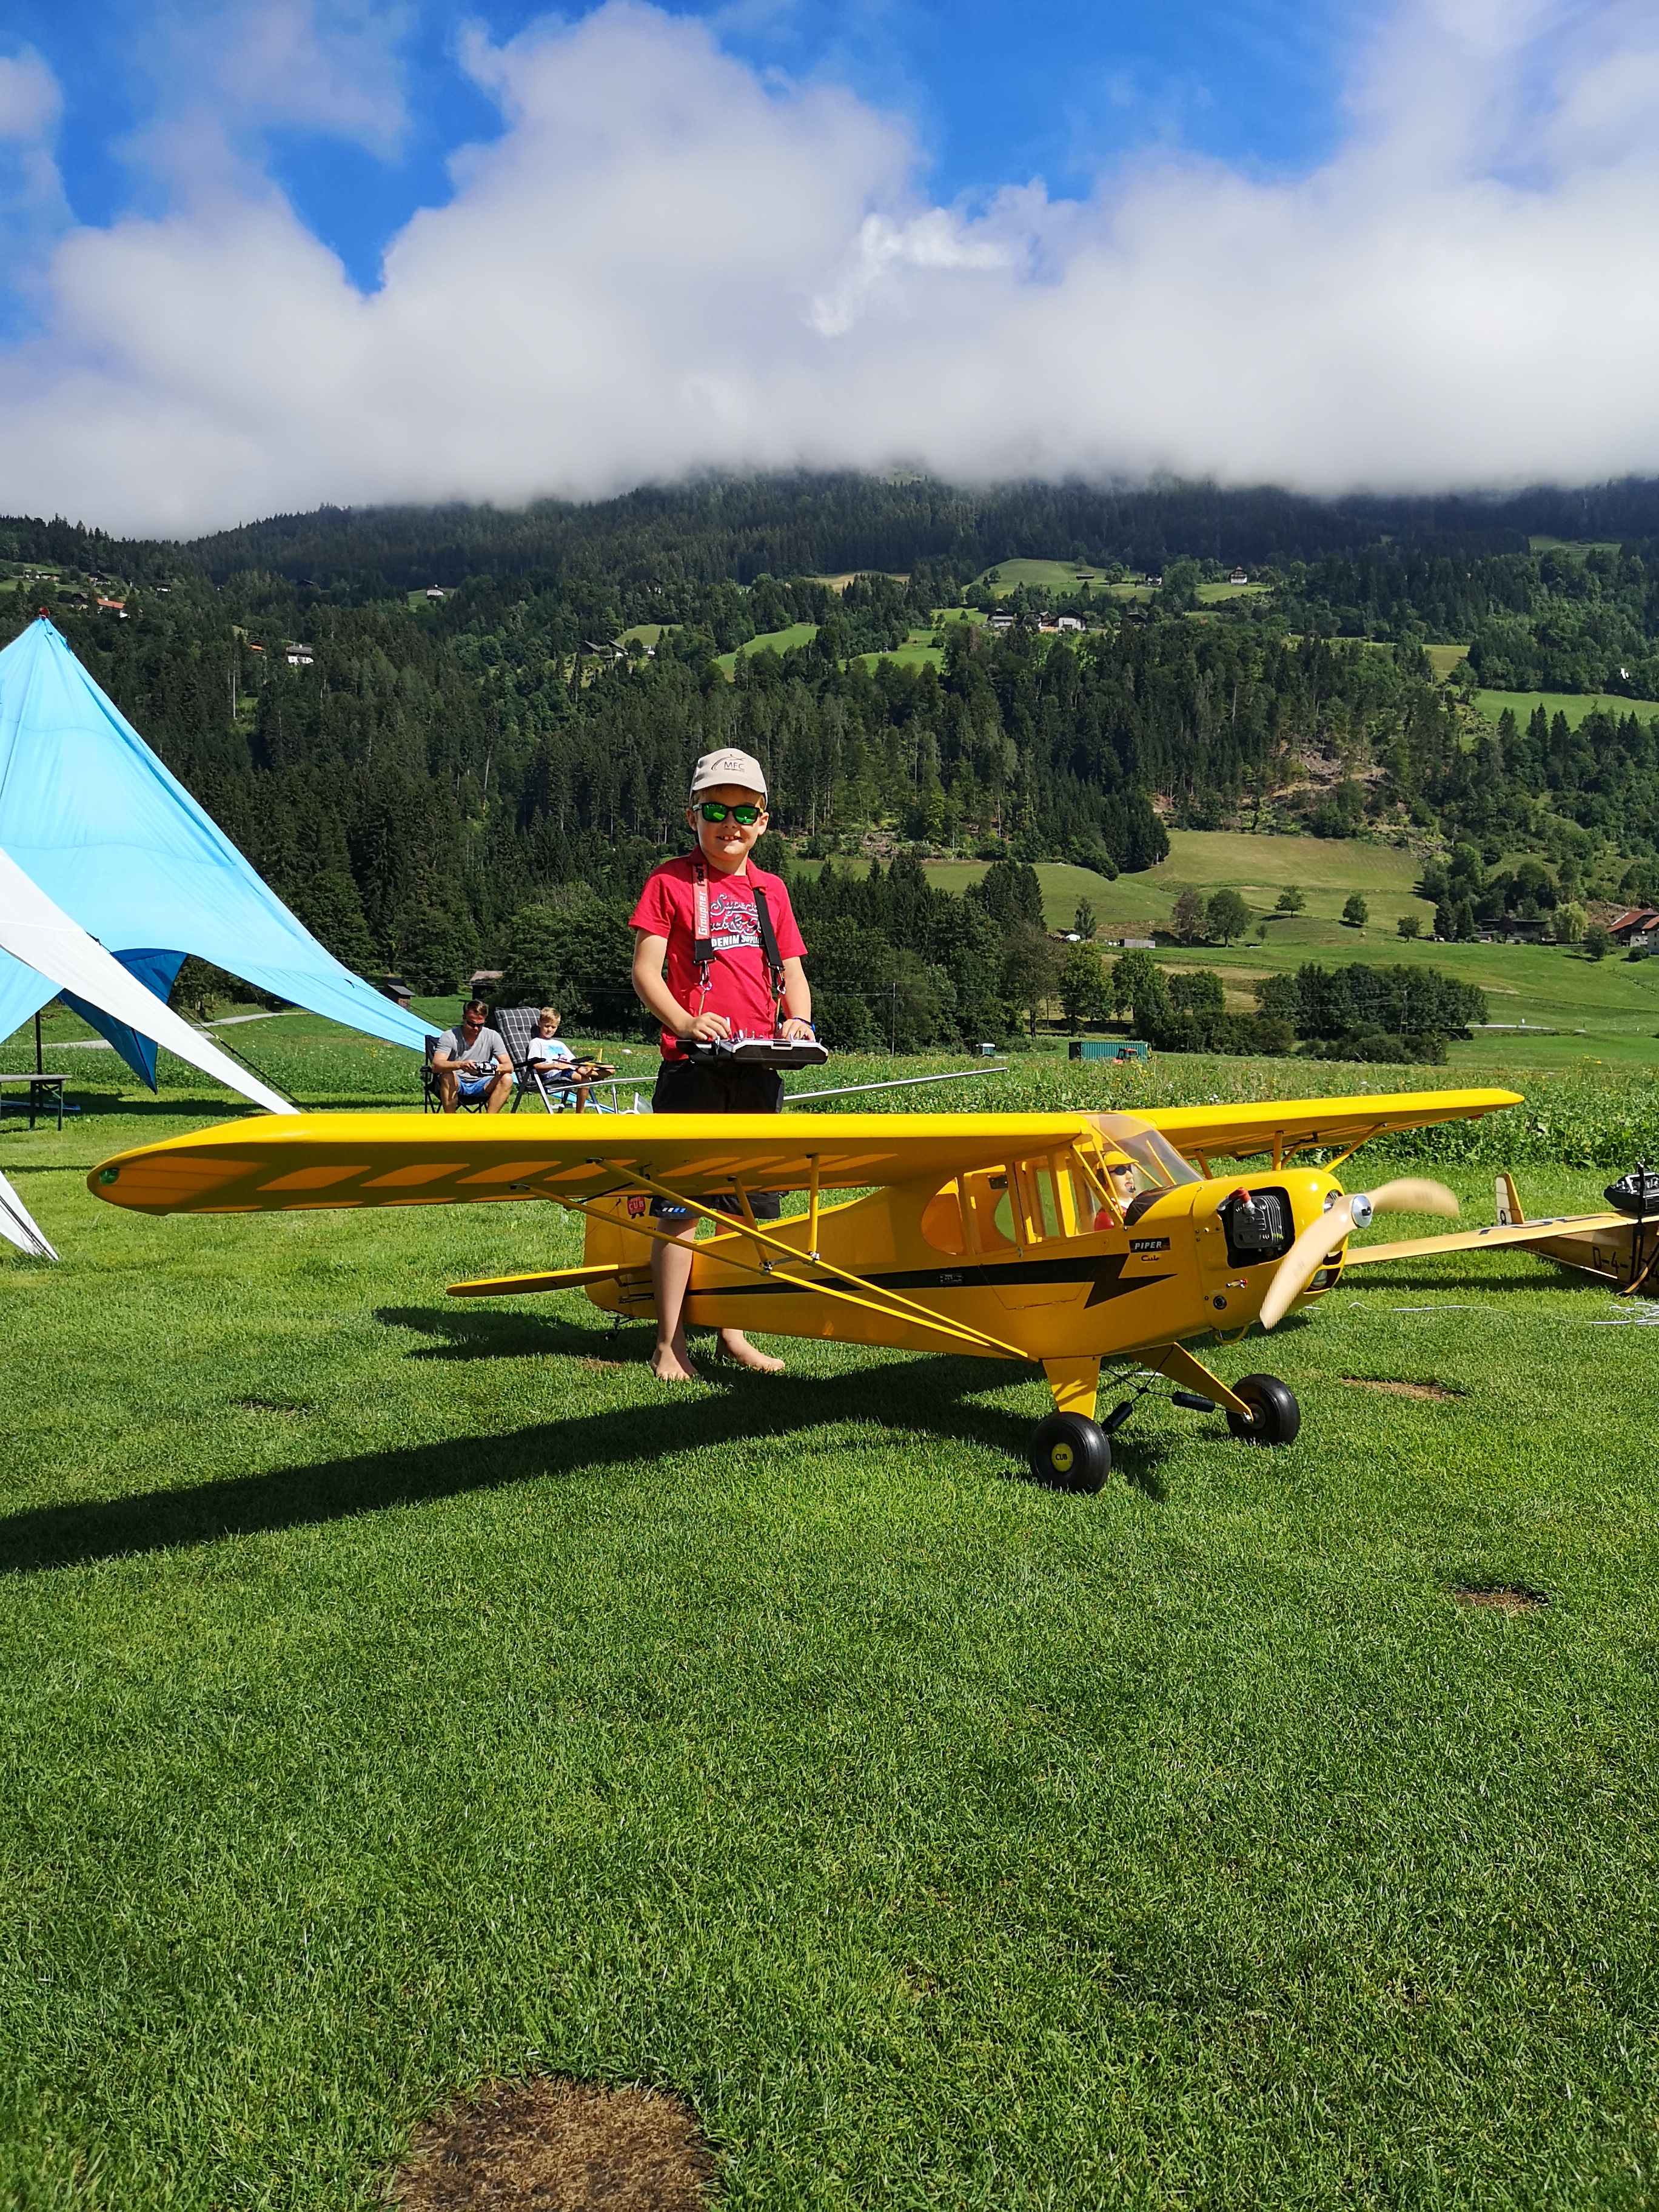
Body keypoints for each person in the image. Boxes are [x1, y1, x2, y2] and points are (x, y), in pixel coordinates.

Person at [630, 747, 814, 1382]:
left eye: (743, 812)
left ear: (763, 821)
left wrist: (799, 1021)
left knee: (748, 1211)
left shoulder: (772, 890)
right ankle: (668, 1342)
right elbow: (646, 972)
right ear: (693, 817)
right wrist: (684, 1022)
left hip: (758, 1066)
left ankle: (733, 1333)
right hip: (694, 1068)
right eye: (715, 811)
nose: (729, 823)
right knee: (680, 1209)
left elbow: (793, 973)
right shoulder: (669, 882)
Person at [432, 999, 514, 1113]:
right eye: (472, 1024)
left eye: (480, 1025)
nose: (476, 1028)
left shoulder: (492, 1036)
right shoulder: (449, 1036)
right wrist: (461, 1065)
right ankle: (450, 1119)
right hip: (457, 1082)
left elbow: (509, 1066)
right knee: (447, 1074)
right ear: (464, 1018)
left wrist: (490, 1068)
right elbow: (436, 1065)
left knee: (507, 1078)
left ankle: (489, 1121)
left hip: (483, 1083)